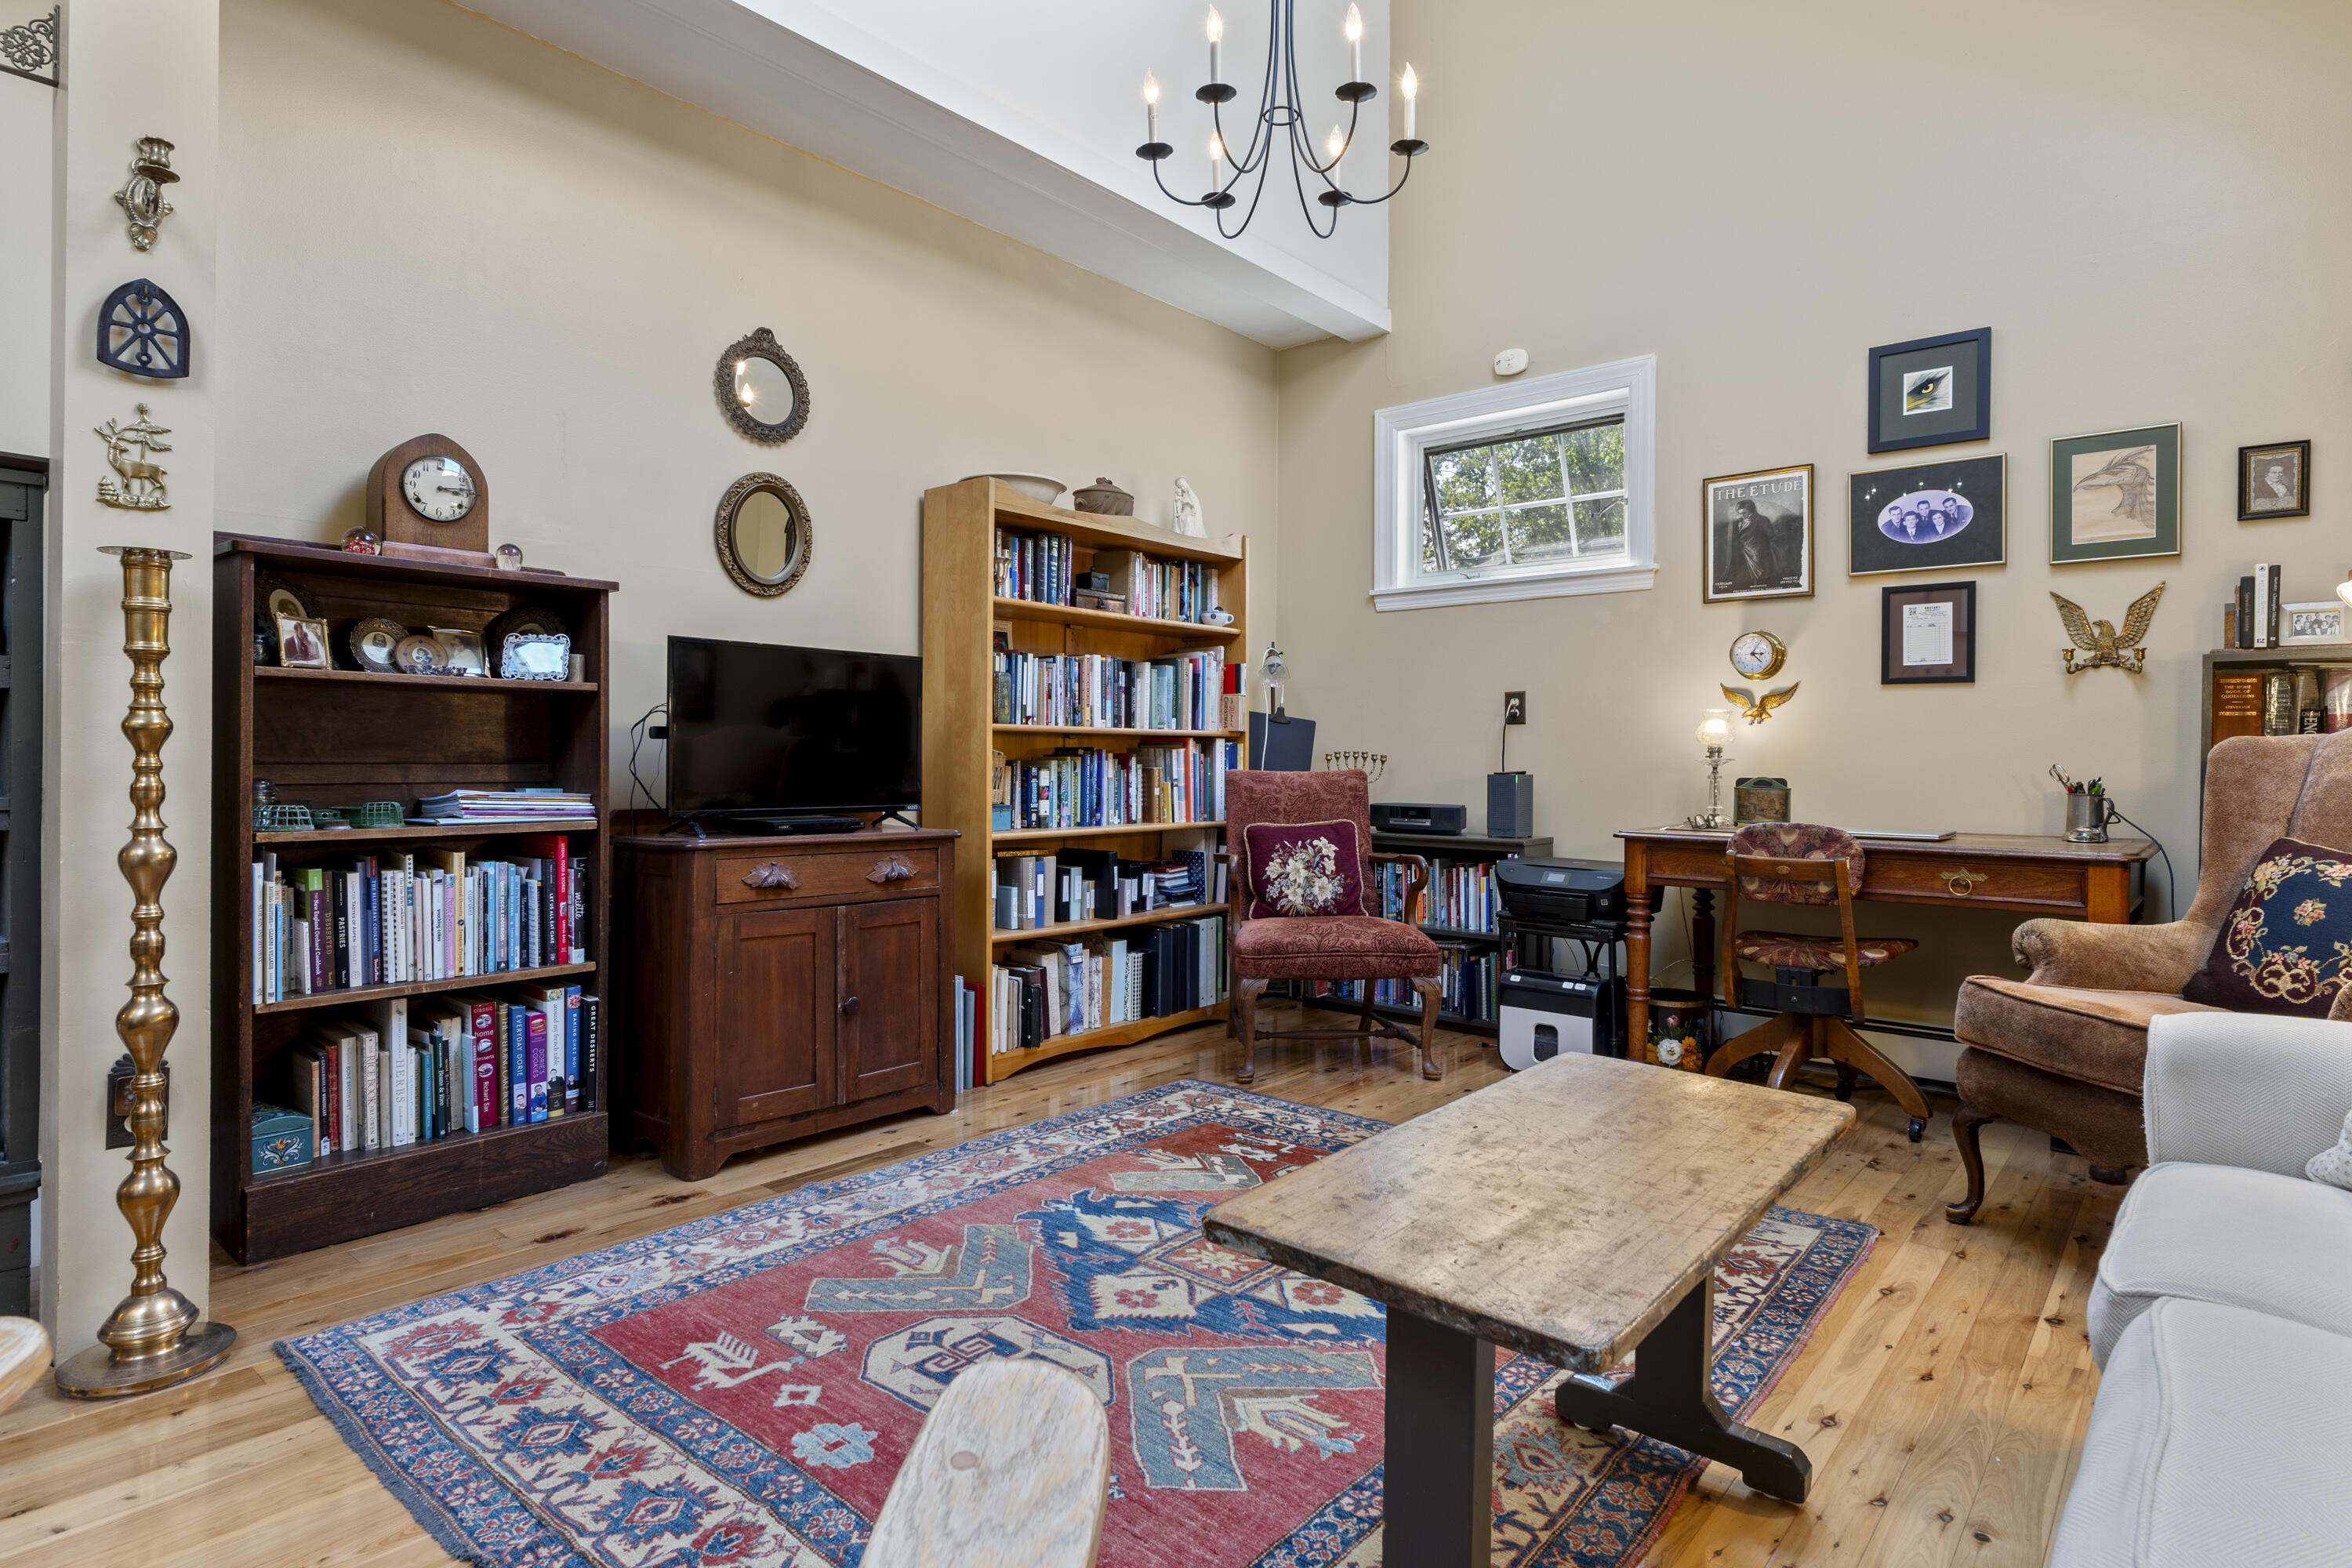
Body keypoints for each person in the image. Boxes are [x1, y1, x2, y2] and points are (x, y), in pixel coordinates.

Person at [1726, 498, 1783, 592]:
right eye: (1740, 513)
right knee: (1747, 582)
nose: (1742, 516)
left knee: (1763, 581)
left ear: (1751, 510)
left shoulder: (1763, 520)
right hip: (1744, 556)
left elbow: (1771, 536)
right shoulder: (1739, 522)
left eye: (1744, 513)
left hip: (1760, 556)